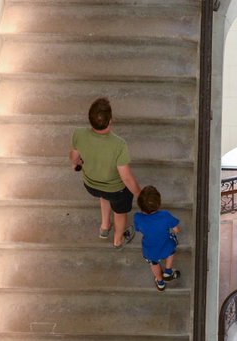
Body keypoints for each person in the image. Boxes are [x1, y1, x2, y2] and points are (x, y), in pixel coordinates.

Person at [69, 97, 140, 249]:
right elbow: (126, 178)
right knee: (120, 213)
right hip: (116, 190)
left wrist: (76, 164)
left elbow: (74, 157)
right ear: (110, 120)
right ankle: (118, 240)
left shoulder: (79, 134)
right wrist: (140, 195)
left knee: (104, 195)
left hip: (91, 185)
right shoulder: (119, 144)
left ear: (90, 118)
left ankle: (105, 227)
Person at [133, 184, 181, 291]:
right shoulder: (165, 215)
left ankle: (160, 283)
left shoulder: (138, 217)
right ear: (159, 203)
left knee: (154, 263)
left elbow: (138, 229)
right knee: (171, 250)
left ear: (140, 206)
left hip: (150, 250)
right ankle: (168, 272)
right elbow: (177, 230)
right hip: (166, 245)